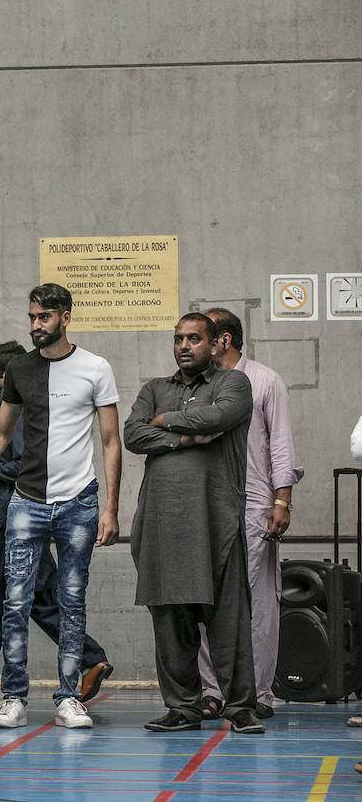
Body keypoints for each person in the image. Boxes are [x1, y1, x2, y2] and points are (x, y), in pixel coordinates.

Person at [0, 283, 121, 730]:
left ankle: (68, 699)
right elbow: (2, 432)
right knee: (14, 601)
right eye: (31, 317)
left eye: (44, 317)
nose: (36, 325)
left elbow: (109, 441)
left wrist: (110, 508)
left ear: (65, 317)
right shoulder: (20, 371)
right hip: (25, 502)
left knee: (70, 601)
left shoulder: (95, 368)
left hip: (78, 503)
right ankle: (13, 697)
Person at [125, 312, 263, 734]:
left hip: (216, 521)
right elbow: (132, 434)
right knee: (169, 620)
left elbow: (220, 418)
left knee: (228, 620)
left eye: (194, 339)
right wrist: (185, 437)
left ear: (214, 344)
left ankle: (240, 706)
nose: (184, 346)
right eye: (178, 339)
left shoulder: (233, 383)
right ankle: (183, 708)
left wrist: (164, 421)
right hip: (162, 523)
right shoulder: (154, 388)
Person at [196, 308, 302, 722]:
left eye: (201, 336)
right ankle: (212, 691)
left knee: (258, 603)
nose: (191, 345)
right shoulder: (199, 385)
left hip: (255, 505)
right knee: (205, 600)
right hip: (208, 505)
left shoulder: (265, 381)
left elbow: (281, 445)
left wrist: (282, 501)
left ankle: (258, 693)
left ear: (222, 340)